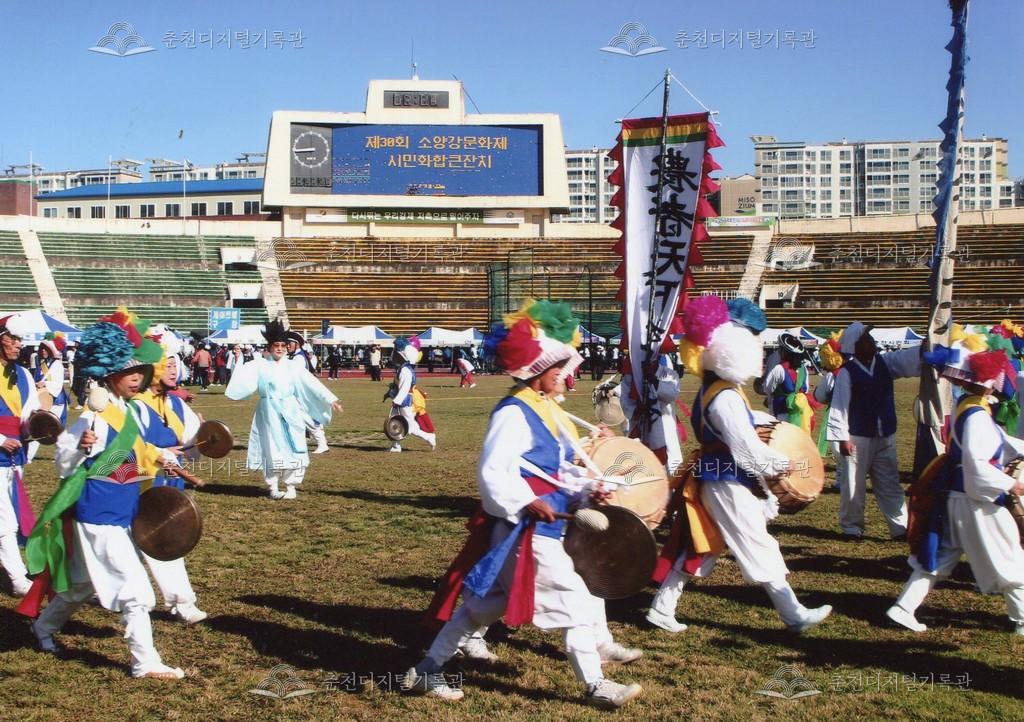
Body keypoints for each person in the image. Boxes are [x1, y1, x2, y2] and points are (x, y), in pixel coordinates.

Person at [408, 300, 643, 709]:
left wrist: (589, 489)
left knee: (484, 608)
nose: (565, 374)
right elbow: (492, 471)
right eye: (558, 369)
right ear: (539, 372)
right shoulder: (514, 413)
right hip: (528, 531)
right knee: (574, 598)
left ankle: (426, 670)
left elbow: (557, 468)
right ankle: (596, 686)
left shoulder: (545, 409)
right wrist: (526, 501)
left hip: (537, 529)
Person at [646, 295, 832, 635]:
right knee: (756, 541)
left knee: (703, 543)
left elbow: (747, 425)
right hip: (725, 479)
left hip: (717, 476)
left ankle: (661, 608)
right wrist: (783, 463)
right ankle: (794, 615)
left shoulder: (719, 389)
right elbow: (746, 448)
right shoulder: (725, 396)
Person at [25, 307, 186, 679]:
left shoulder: (127, 410)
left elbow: (135, 450)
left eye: (140, 372)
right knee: (135, 590)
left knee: (80, 585)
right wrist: (81, 447)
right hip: (98, 513)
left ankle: (43, 627)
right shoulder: (93, 415)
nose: (137, 378)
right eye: (130, 373)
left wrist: (162, 456)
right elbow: (64, 463)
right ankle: (144, 662)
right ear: (111, 374)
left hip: (122, 510)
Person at [889, 342, 1024, 636]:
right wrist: (1010, 482)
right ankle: (1022, 619)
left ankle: (903, 608)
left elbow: (1000, 444)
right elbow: (976, 464)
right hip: (976, 500)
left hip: (958, 496)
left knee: (943, 555)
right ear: (988, 384)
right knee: (1009, 555)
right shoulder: (977, 416)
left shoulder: (969, 408)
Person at [133, 326, 208, 624]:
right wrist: (160, 454)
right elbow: (128, 446)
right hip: (142, 486)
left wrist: (204, 438)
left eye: (176, 364)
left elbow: (192, 445)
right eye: (167, 364)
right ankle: (182, 602)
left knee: (164, 543)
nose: (174, 370)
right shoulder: (136, 405)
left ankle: (182, 602)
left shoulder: (176, 404)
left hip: (169, 487)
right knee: (154, 543)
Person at [225, 321, 342, 500]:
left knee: (294, 445)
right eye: (276, 345)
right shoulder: (260, 365)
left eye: (282, 345)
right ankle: (273, 486)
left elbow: (311, 383)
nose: (279, 349)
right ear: (270, 347)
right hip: (268, 411)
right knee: (270, 446)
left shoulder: (293, 366)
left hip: (290, 410)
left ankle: (291, 486)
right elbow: (242, 377)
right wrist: (238, 362)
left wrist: (330, 399)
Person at [828, 322, 921, 540]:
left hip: (885, 435)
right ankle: (852, 528)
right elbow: (840, 405)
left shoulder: (885, 363)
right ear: (855, 346)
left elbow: (907, 359)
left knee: (890, 483)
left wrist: (925, 349)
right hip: (857, 437)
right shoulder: (848, 372)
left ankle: (900, 528)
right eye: (866, 339)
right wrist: (842, 438)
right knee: (854, 484)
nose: (872, 342)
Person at [0, 314, 39, 597]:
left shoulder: (23, 374)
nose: (18, 345)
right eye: (13, 339)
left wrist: (38, 427)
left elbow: (29, 414)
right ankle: (17, 579)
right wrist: (1, 440)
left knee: (10, 513)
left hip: (16, 456)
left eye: (20, 340)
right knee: (6, 520)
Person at [27, 332, 70, 463]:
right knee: (39, 427)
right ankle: (28, 457)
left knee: (57, 430)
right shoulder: (41, 364)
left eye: (46, 349)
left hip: (56, 401)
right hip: (44, 400)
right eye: (42, 348)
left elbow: (58, 384)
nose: (43, 351)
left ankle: (62, 456)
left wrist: (45, 384)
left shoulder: (57, 365)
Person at [387, 338, 436, 452]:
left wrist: (397, 400)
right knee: (394, 423)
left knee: (409, 426)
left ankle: (429, 437)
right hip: (401, 400)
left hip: (405, 401)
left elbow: (404, 388)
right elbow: (397, 385)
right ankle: (395, 446)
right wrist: (389, 393)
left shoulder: (405, 371)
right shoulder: (402, 369)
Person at [285, 331, 330, 454]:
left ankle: (322, 443)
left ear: (297, 345)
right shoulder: (296, 356)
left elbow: (294, 376)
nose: (287, 346)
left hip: (301, 394)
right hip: (298, 393)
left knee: (307, 418)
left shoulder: (298, 358)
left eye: (289, 343)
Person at [812, 335, 847, 491]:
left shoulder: (832, 376)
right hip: (857, 416)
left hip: (837, 415)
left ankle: (842, 481)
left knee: (838, 450)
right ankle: (842, 480)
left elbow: (820, 396)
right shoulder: (853, 371)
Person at [762, 332, 814, 432]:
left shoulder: (779, 369)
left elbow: (767, 388)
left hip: (781, 414)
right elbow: (806, 389)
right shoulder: (804, 369)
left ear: (784, 352)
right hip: (801, 415)